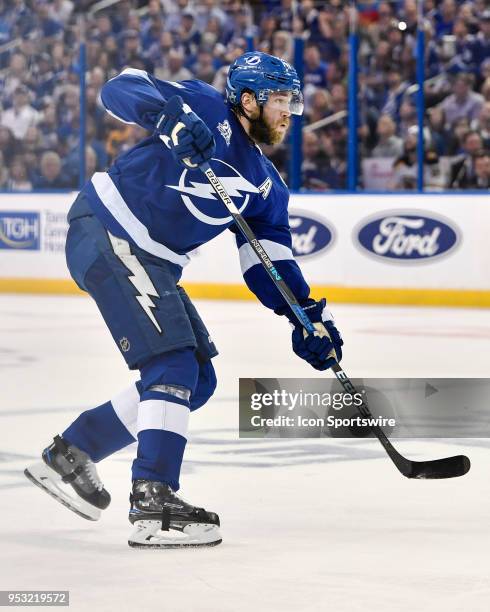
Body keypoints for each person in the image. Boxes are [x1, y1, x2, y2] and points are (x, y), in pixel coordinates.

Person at [24, 52, 343, 549]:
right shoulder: (201, 105)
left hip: (149, 259)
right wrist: (166, 117)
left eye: (290, 102)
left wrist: (304, 317)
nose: (289, 112)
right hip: (109, 231)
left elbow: (267, 264)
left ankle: (74, 451)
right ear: (247, 100)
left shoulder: (267, 187)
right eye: (280, 100)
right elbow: (119, 88)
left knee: (197, 377)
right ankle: (153, 500)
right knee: (172, 365)